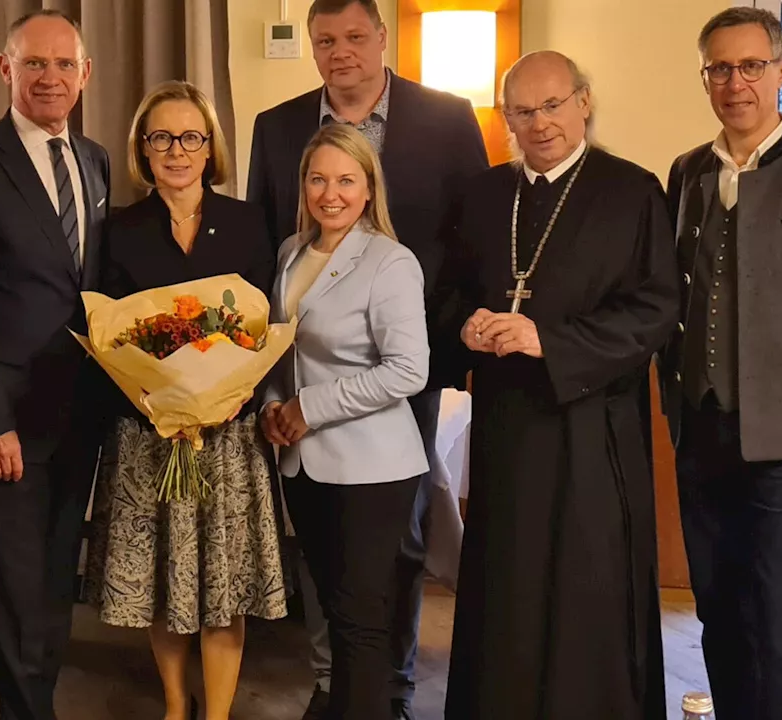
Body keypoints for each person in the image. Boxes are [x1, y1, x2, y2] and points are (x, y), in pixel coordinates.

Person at [245, 2, 487, 715]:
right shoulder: (277, 128)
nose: (341, 51)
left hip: (406, 358)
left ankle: (390, 687)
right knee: (330, 567)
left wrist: (432, 340)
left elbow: (468, 241)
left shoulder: (445, 119)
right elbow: (270, 274)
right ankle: (338, 683)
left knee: (395, 552)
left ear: (382, 39)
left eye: (355, 37)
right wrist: (272, 402)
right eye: (325, 40)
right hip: (301, 395)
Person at [441, 51, 678, 720]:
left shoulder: (633, 190)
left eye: (552, 106)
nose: (539, 123)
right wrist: (467, 326)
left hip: (592, 428)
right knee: (506, 587)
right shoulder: (486, 194)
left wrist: (551, 341)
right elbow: (448, 292)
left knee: (587, 586)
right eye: (523, 111)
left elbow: (656, 307)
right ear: (506, 118)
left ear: (583, 103)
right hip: (507, 430)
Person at [661, 8, 782, 719]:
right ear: (705, 77)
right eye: (719, 68)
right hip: (701, 430)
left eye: (749, 66)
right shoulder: (687, 173)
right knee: (718, 607)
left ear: (780, 72)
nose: (734, 82)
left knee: (780, 617)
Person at [81, 80, 286, 720]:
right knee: (164, 583)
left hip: (229, 433)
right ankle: (175, 704)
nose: (177, 150)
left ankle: (217, 713)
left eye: (190, 137)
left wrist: (237, 391)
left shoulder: (252, 222)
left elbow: (264, 326)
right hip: (148, 434)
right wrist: (151, 397)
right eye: (161, 137)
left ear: (209, 147)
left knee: (224, 584)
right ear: (144, 149)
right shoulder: (116, 229)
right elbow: (108, 333)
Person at [0, 10, 110, 720]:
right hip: (6, 425)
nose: (51, 78)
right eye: (35, 64)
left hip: (79, 417)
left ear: (85, 75)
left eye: (64, 65)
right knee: (10, 589)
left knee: (50, 585)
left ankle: (36, 705)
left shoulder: (95, 160)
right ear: (6, 69)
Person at [261, 123, 430, 720]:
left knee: (359, 622)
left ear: (368, 187)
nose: (330, 193)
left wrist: (311, 408)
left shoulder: (390, 261)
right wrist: (273, 407)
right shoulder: (290, 252)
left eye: (345, 180)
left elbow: (409, 370)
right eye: (318, 179)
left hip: (373, 467)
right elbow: (281, 350)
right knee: (330, 611)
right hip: (303, 464)